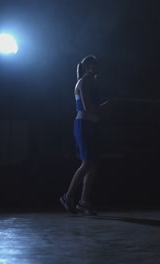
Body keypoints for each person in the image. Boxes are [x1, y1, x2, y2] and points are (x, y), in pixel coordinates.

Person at [60, 55, 113, 216]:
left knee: (93, 163)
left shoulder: (93, 83)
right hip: (83, 125)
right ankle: (68, 197)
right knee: (87, 162)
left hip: (92, 125)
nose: (99, 67)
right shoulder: (83, 82)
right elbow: (87, 107)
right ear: (88, 67)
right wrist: (105, 107)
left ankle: (83, 202)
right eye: (96, 65)